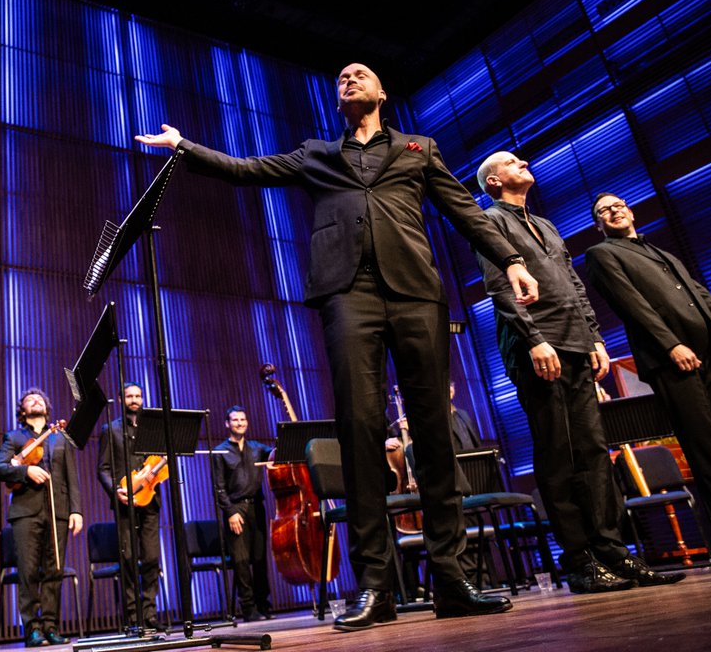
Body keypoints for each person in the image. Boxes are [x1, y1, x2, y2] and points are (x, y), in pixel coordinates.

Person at [135, 62, 539, 632]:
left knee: (433, 429)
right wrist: (183, 147)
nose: (349, 76)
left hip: (416, 294)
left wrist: (513, 261)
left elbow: (465, 210)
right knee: (359, 428)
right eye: (342, 75)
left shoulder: (420, 148)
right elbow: (248, 170)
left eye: (361, 73)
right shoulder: (317, 153)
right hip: (348, 294)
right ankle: (376, 585)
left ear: (381, 91)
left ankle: (452, 575)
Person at [474, 152, 683, 592]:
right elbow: (500, 288)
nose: (524, 160)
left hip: (575, 344)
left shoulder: (546, 225)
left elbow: (573, 284)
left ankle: (614, 552)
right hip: (538, 347)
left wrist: (596, 338)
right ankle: (579, 561)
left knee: (592, 451)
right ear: (494, 181)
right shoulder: (488, 221)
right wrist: (535, 340)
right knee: (559, 453)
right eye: (512, 161)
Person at [585, 192, 711, 569]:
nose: (614, 211)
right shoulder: (604, 255)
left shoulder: (664, 254)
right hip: (674, 363)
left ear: (630, 211)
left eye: (619, 205)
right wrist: (671, 345)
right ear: (599, 223)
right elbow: (632, 306)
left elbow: (700, 295)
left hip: (707, 358)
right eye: (604, 211)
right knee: (709, 453)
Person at [0, 388, 84, 647]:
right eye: (29, 400)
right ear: (22, 410)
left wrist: (76, 510)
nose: (35, 401)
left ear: (47, 407)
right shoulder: (15, 437)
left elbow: (71, 477)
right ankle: (32, 629)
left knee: (54, 571)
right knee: (29, 572)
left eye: (40, 398)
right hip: (25, 513)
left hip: (59, 511)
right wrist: (26, 471)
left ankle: (51, 626)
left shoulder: (60, 438)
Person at [97, 383, 164, 631]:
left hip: (151, 502)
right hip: (125, 502)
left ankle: (150, 614)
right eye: (129, 396)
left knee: (151, 557)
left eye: (138, 395)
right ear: (120, 398)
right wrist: (116, 491)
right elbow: (102, 469)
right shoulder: (110, 430)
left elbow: (163, 463)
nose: (134, 399)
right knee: (127, 558)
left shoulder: (153, 429)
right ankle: (133, 617)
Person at [213, 406, 272, 622]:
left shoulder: (257, 448)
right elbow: (218, 487)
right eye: (235, 420)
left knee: (259, 558)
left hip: (257, 507)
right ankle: (248, 609)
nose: (240, 423)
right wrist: (229, 512)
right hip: (235, 509)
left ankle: (264, 605)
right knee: (241, 560)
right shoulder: (220, 451)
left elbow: (277, 454)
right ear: (227, 424)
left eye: (243, 419)